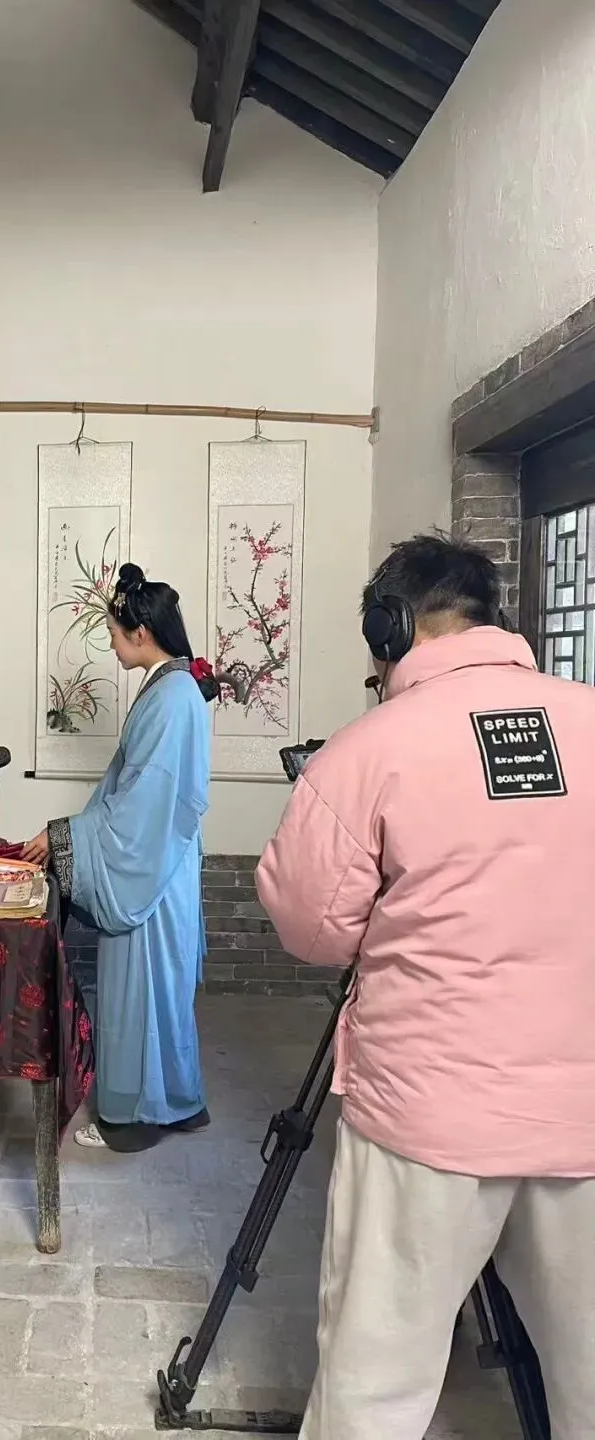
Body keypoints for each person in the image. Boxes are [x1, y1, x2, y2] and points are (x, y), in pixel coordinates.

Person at [255, 533, 595, 1440]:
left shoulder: (368, 751)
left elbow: (310, 929)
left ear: (390, 626)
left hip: (428, 1117)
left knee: (377, 1380)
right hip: (586, 1114)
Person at [23, 563, 217, 1151]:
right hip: (163, 860)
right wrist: (71, 833)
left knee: (142, 994)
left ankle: (133, 1118)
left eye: (112, 631)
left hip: (148, 868)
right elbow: (134, 791)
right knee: (164, 995)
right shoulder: (172, 688)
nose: (109, 642)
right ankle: (178, 1101)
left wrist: (65, 837)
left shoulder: (171, 696)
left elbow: (144, 803)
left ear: (140, 632)